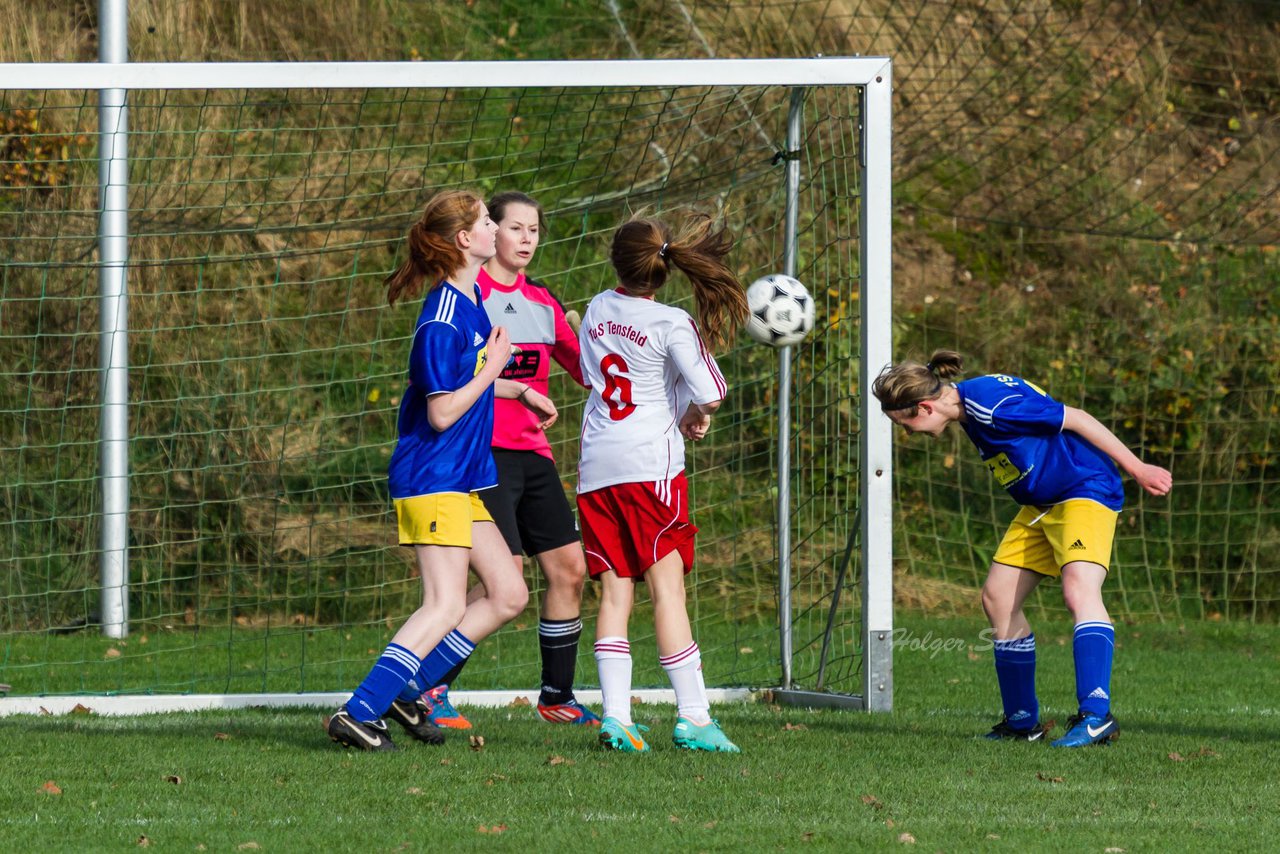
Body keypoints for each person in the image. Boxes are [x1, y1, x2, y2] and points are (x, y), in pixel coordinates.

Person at [325, 189, 556, 751]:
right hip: (433, 475)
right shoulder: (443, 318)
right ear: (466, 239)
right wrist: (495, 370)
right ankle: (358, 712)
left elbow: (463, 383)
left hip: (460, 477)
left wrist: (517, 388)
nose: (496, 232)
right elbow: (443, 409)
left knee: (508, 593)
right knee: (446, 604)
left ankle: (409, 692)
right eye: (485, 223)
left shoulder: (471, 302)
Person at [872, 351, 1172, 747]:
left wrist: (1138, 468)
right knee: (998, 599)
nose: (907, 433)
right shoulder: (970, 405)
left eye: (905, 423)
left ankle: (1097, 716)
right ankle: (1021, 723)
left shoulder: (994, 408)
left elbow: (1077, 418)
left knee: (1079, 588)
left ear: (925, 407)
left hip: (1083, 490)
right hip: (1040, 505)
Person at [415, 190, 599, 729]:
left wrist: (589, 331)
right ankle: (429, 685)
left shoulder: (542, 301)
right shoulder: (467, 297)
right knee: (503, 578)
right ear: (489, 232)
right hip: (483, 453)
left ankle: (557, 696)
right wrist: (513, 390)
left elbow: (588, 370)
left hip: (533, 454)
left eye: (534, 231)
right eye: (515, 228)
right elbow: (448, 386)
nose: (525, 239)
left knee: (570, 569)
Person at [577, 213, 748, 753]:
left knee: (614, 589)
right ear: (665, 268)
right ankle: (694, 717)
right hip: (651, 469)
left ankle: (617, 719)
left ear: (615, 261)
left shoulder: (597, 310)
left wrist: (683, 405)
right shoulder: (672, 322)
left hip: (597, 466)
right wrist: (697, 413)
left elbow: (597, 378)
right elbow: (712, 391)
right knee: (667, 588)